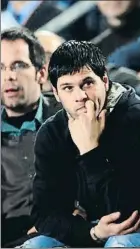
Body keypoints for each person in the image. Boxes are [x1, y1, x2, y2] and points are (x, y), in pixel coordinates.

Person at [20, 40, 140, 248]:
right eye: (68, 88)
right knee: (34, 246)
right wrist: (91, 233)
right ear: (56, 93)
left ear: (104, 81)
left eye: (87, 83)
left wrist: (90, 151)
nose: (80, 97)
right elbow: (44, 214)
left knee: (117, 244)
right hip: (99, 226)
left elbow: (127, 214)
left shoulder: (139, 121)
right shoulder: (52, 132)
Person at [1, 27, 61, 247]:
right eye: (1, 67)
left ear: (41, 73)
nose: (9, 75)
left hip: (58, 234)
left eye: (19, 65)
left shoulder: (68, 118)